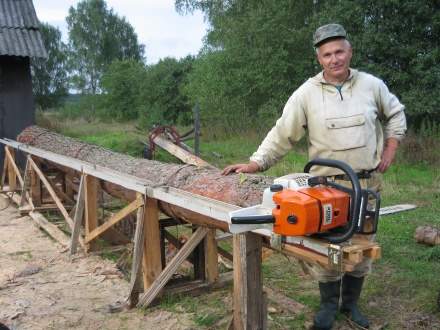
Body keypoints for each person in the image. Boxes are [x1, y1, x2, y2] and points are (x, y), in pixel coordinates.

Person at [222, 23, 406, 330]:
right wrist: (255, 163)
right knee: (328, 248)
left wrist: (390, 148)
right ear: (319, 59)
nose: (334, 59)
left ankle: (350, 306)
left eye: (339, 52)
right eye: (327, 54)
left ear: (350, 52)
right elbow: (282, 133)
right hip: (327, 187)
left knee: (362, 247)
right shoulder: (306, 93)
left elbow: (396, 114)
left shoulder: (372, 85)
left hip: (367, 186)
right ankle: (326, 308)